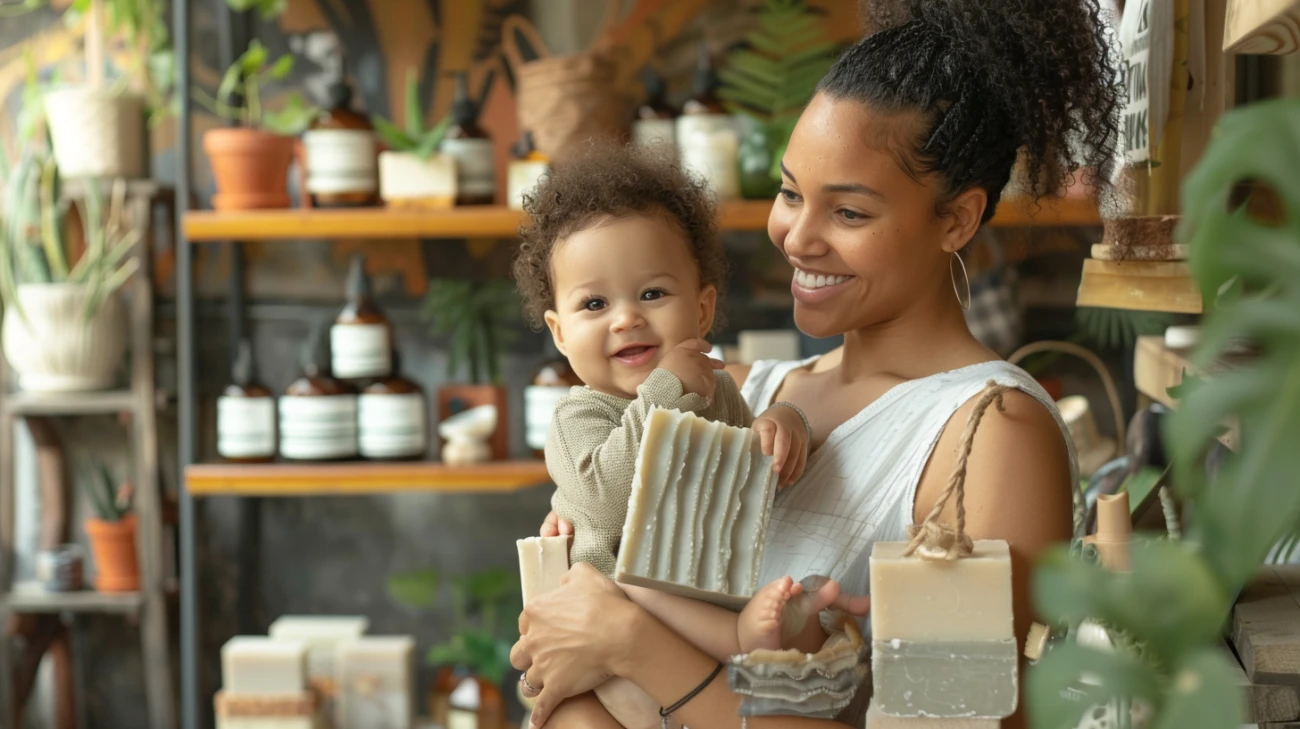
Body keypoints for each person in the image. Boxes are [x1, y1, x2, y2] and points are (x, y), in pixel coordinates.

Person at [510, 0, 1122, 726]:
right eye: (789, 191)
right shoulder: (756, 392)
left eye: (849, 213)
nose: (797, 237)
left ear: (956, 218)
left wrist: (626, 640)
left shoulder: (991, 434)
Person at [512, 143, 871, 728]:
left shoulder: (718, 394)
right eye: (594, 303)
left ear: (702, 311)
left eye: (652, 294)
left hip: (690, 640)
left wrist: (784, 425)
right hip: (600, 653)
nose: (626, 318)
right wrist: (661, 393)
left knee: (800, 623)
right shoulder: (578, 416)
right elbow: (608, 494)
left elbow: (747, 482)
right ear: (558, 331)